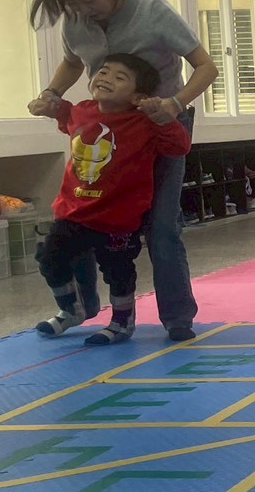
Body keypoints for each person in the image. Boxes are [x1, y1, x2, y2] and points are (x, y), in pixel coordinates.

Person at [28, 0, 217, 342]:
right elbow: (74, 62)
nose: (83, 10)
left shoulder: (152, 11)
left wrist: (174, 104)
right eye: (72, 4)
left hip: (159, 121)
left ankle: (177, 317)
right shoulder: (76, 20)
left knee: (162, 226)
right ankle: (81, 307)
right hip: (108, 127)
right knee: (81, 215)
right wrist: (50, 94)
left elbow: (206, 66)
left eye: (89, 0)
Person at [29, 54, 192, 344]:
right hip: (74, 211)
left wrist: (161, 117)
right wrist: (47, 105)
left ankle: (122, 322)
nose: (106, 79)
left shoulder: (142, 122)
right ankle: (71, 310)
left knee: (118, 272)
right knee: (50, 257)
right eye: (103, 72)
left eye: (120, 77)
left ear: (138, 96)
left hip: (117, 218)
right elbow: (65, 114)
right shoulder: (82, 110)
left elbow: (178, 146)